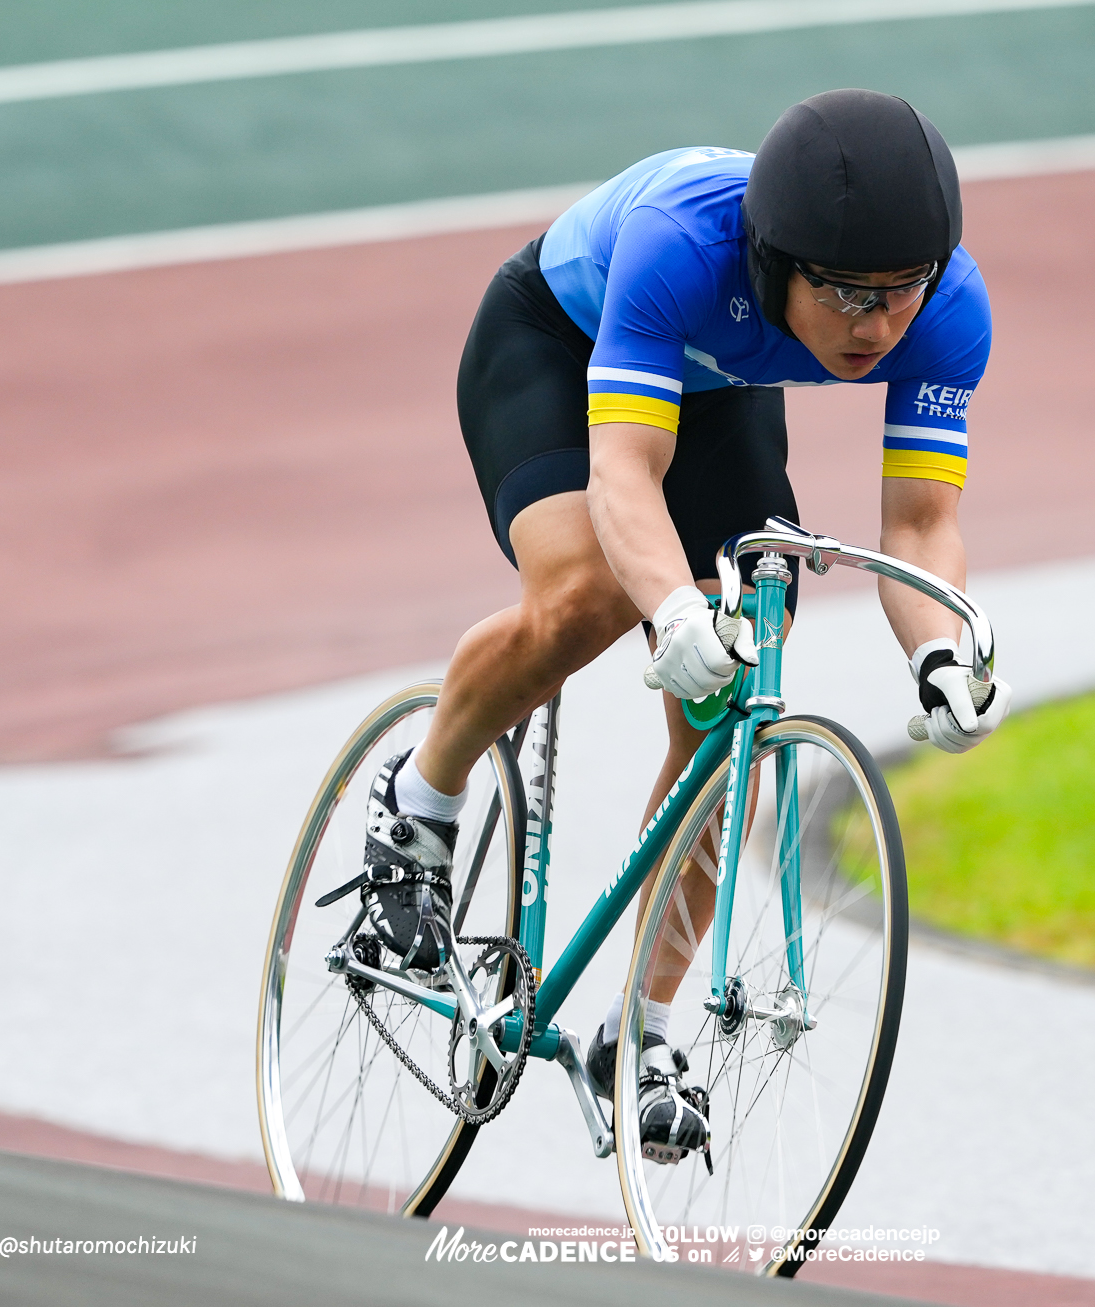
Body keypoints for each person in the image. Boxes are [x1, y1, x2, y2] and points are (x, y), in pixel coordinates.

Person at [354, 89, 1005, 1162]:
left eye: (899, 294)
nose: (876, 327)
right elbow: (624, 472)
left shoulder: (948, 308)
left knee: (736, 682)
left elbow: (923, 522)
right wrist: (665, 609)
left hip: (722, 384)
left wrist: (942, 652)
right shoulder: (682, 244)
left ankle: (640, 1031)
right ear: (778, 259)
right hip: (561, 346)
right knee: (588, 595)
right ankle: (418, 802)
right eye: (844, 293)